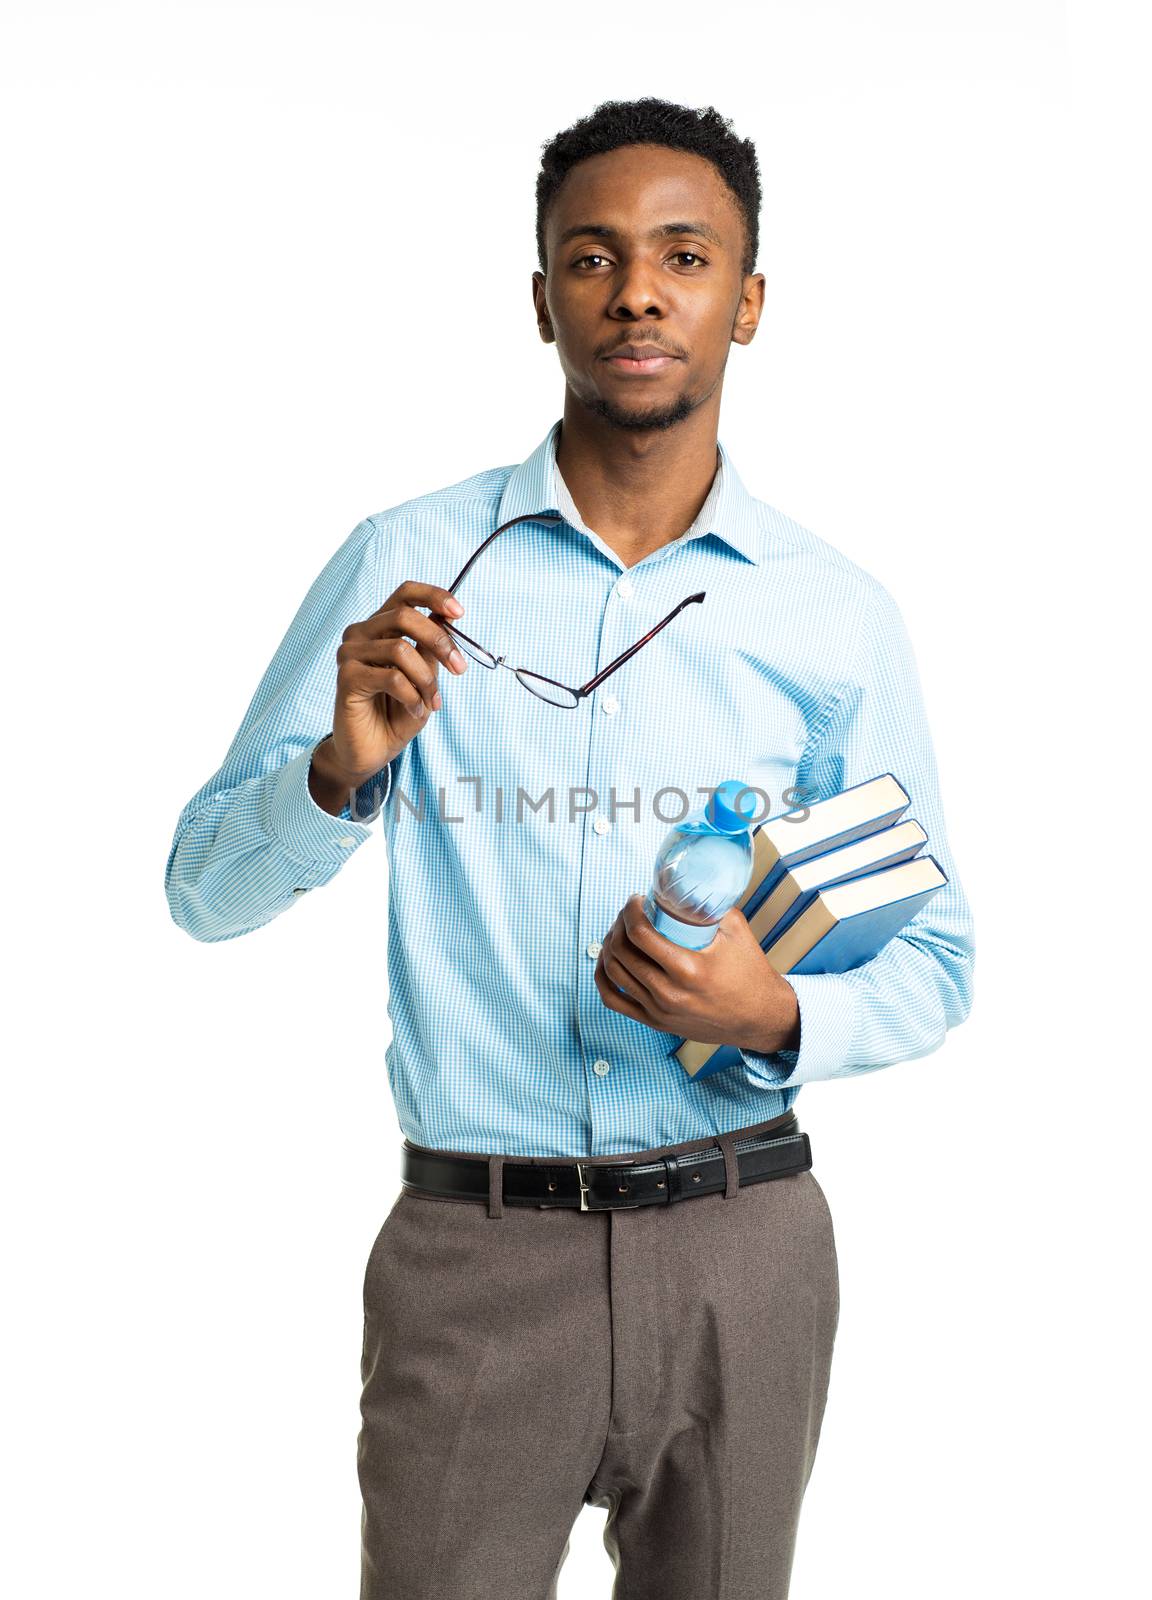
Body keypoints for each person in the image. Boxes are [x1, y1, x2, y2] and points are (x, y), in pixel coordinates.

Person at [165, 96, 975, 1600]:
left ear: (749, 300)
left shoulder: (834, 615)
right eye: (592, 259)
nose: (638, 292)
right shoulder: (410, 564)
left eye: (684, 255)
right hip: (477, 1258)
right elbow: (201, 893)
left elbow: (938, 960)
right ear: (542, 297)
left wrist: (773, 1013)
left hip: (747, 1246)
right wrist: (339, 774)